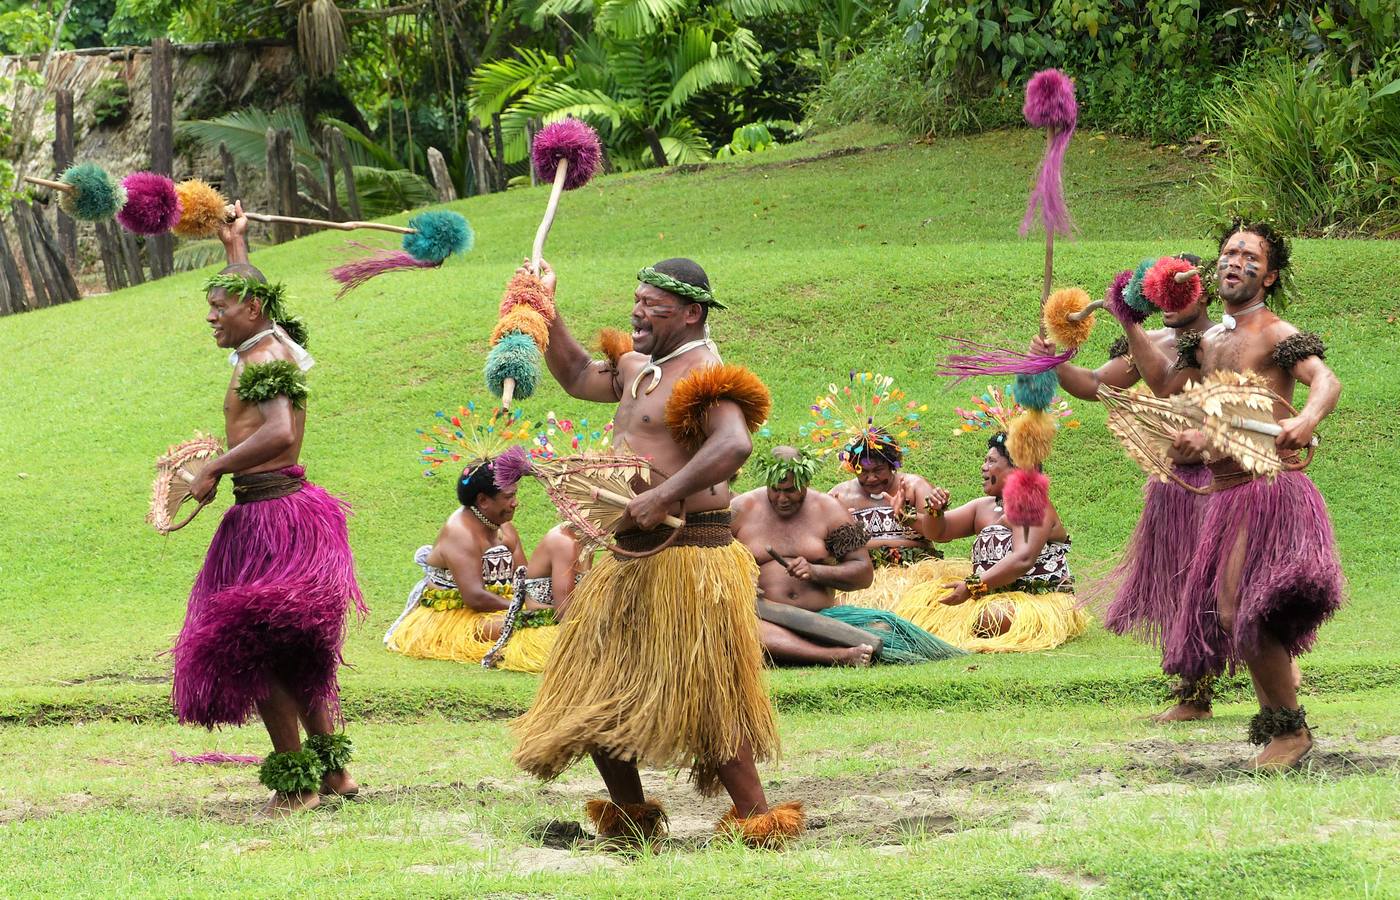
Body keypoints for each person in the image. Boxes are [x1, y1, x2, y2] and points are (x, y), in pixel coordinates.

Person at [511, 257, 802, 850]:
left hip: (690, 558)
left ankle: (757, 821)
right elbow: (573, 375)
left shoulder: (705, 372)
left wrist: (665, 494)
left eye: (654, 305)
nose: (638, 312)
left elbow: (733, 443)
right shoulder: (638, 366)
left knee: (708, 696)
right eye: (637, 300)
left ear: (692, 313)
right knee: (590, 689)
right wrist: (545, 305)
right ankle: (632, 823)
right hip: (628, 557)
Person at [1116, 220, 1343, 771]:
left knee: (1239, 607)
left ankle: (1291, 733)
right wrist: (1129, 323)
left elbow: (1325, 381)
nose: (1234, 260)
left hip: (1269, 488)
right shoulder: (1206, 341)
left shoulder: (1273, 332)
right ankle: (1281, 728)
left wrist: (1307, 420)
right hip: (1225, 492)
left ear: (1268, 276)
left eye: (1249, 255)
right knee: (1233, 613)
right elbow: (1166, 387)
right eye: (1228, 252)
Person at [170, 202, 364, 817]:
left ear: (250, 312)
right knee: (295, 651)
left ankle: (297, 782)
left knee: (260, 652)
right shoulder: (270, 339)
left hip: (270, 519)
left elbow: (280, 433)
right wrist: (235, 247)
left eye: (219, 308)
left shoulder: (264, 360)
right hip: (278, 512)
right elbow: (252, 298)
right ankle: (335, 774)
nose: (211, 317)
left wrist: (214, 467)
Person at [1031, 254, 1220, 721]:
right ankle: (1193, 696)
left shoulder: (1226, 343)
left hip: (1225, 482)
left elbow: (1183, 389)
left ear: (1204, 291)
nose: (1166, 304)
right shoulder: (1150, 341)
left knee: (1229, 586)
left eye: (1178, 294)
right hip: (1173, 486)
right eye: (1158, 297)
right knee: (1181, 587)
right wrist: (1052, 359)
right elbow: (1094, 383)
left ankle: (1276, 678)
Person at [733, 447, 962, 666]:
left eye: (791, 490)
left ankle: (813, 645)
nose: (782, 498)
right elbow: (711, 559)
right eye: (776, 489)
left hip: (821, 617)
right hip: (764, 616)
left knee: (883, 627)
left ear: (805, 483)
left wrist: (815, 571)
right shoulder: (740, 510)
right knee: (750, 630)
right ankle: (836, 655)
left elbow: (863, 573)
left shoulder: (829, 510)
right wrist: (741, 582)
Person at [893, 433, 1088, 652]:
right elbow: (940, 532)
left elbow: (1023, 558)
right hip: (990, 596)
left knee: (989, 618)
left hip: (1035, 602)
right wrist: (931, 512)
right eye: (985, 460)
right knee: (927, 606)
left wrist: (971, 587)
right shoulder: (984, 507)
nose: (983, 467)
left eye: (991, 461)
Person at [385, 454, 557, 673]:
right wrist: (524, 608)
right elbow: (474, 597)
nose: (515, 502)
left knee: (546, 620)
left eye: (515, 494)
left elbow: (524, 578)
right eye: (508, 496)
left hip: (498, 606)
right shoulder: (460, 534)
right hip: (456, 614)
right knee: (522, 625)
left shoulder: (502, 524)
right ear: (483, 500)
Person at [827, 428, 960, 610]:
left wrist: (906, 517)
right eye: (863, 471)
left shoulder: (915, 487)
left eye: (878, 470)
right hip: (863, 577)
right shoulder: (840, 495)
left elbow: (941, 535)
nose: (871, 478)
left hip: (916, 574)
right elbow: (825, 544)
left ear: (893, 464)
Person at [520, 522, 592, 623]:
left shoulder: (587, 541)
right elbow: (564, 612)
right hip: (545, 622)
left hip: (575, 617)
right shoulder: (564, 543)